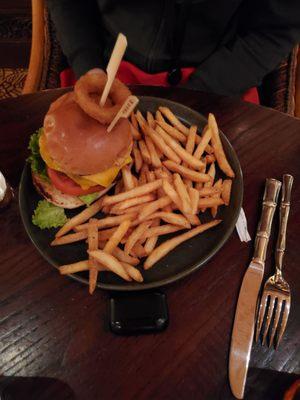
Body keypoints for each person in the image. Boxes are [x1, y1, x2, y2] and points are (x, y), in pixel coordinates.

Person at [47, 0, 300, 103]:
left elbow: (276, 28)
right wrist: (87, 64)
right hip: (106, 68)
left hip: (221, 79)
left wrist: (201, 92)